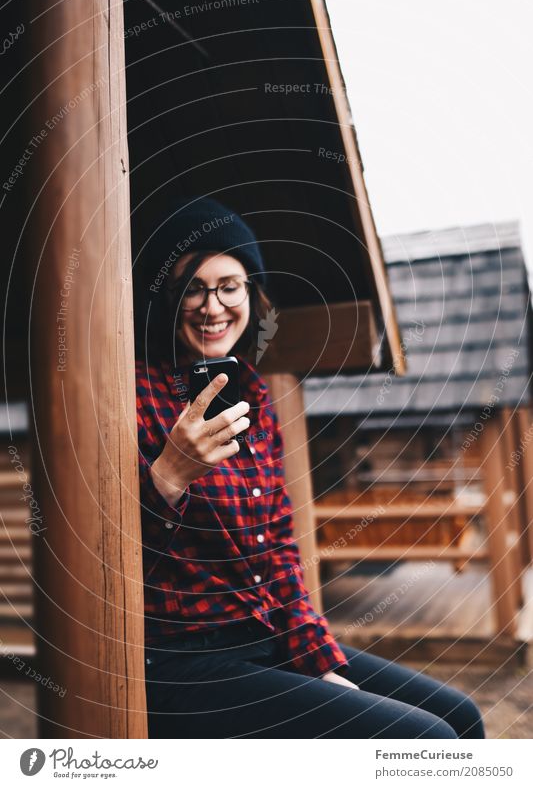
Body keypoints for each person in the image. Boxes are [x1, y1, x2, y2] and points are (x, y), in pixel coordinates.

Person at [135, 196, 485, 739]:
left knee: (462, 717)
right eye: (192, 287)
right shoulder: (132, 391)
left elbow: (278, 547)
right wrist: (170, 476)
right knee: (426, 740)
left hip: (267, 637)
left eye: (230, 285)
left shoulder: (253, 394)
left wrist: (317, 659)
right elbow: (102, 554)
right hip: (179, 657)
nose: (212, 306)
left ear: (252, 294)